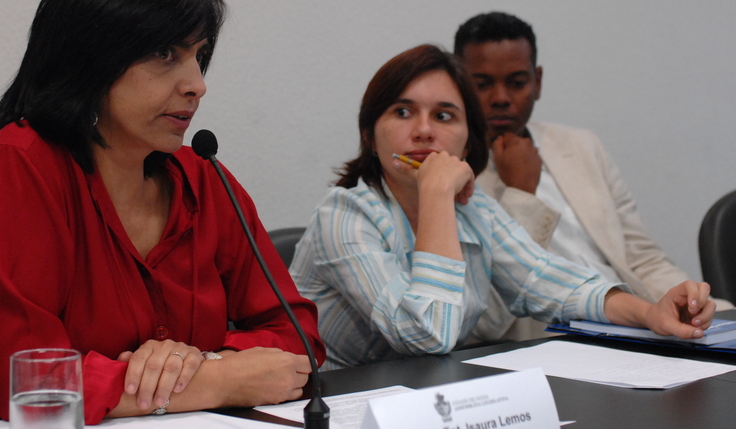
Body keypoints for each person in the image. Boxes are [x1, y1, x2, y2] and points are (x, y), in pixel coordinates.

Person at [0, 0, 324, 425]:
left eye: (199, 56)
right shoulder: (23, 166)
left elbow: (297, 336)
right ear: (89, 59)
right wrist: (214, 380)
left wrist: (202, 362)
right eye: (165, 54)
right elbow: (31, 381)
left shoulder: (202, 176)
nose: (197, 85)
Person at [289, 44, 714, 370]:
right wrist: (436, 195)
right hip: (333, 404)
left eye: (444, 116)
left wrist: (649, 312)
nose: (423, 131)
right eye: (403, 112)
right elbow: (425, 335)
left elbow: (553, 284)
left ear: (467, 142)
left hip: (426, 398)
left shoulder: (477, 210)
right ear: (369, 135)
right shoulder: (343, 214)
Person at [453, 11, 731, 341]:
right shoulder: (455, 178)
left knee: (723, 320)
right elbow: (484, 314)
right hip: (550, 335)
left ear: (537, 81)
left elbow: (641, 257)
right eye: (482, 84)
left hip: (634, 316)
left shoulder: (581, 145)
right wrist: (522, 194)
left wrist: (695, 304)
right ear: (460, 86)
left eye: (516, 83)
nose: (501, 98)